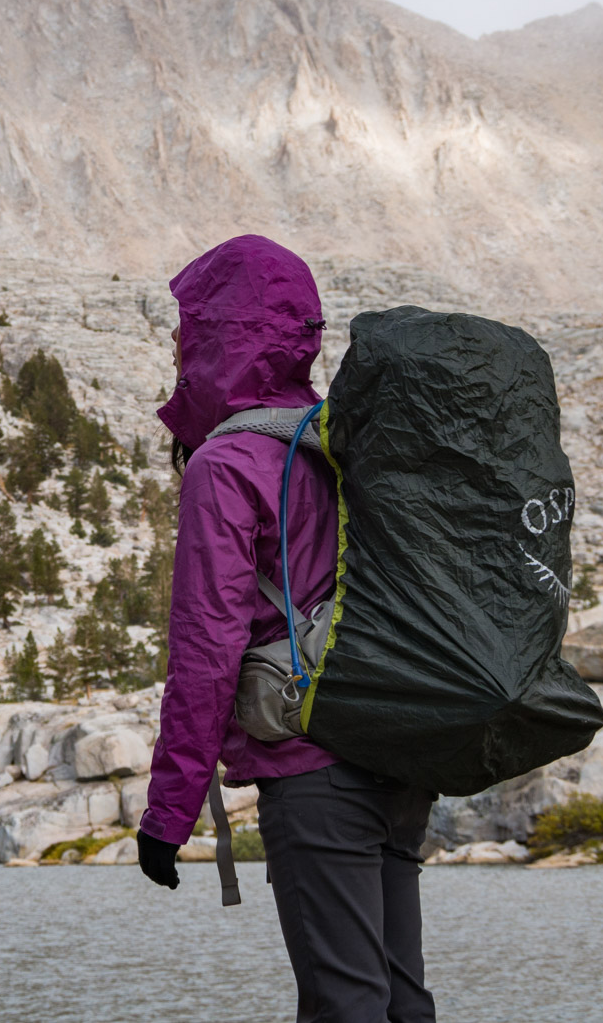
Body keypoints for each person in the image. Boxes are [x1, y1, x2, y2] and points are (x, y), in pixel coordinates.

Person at [136, 235, 437, 1023]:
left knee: (344, 1005)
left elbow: (207, 649)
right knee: (401, 1001)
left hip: (314, 768)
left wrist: (169, 813)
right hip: (400, 755)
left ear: (216, 336)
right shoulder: (349, 439)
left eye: (185, 326)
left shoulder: (227, 465)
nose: (175, 341)